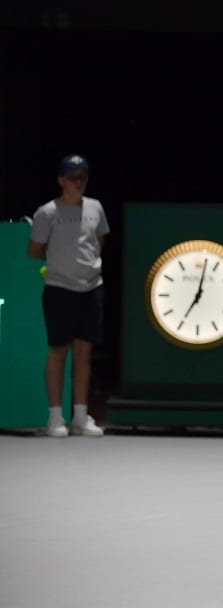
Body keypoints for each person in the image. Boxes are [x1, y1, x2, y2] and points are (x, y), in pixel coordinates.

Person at [27, 155, 109, 437]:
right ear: (61, 180)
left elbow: (99, 241)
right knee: (58, 351)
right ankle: (55, 418)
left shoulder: (96, 207)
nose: (79, 183)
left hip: (92, 287)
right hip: (59, 289)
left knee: (84, 354)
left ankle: (81, 417)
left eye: (83, 177)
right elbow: (35, 249)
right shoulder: (46, 212)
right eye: (73, 178)